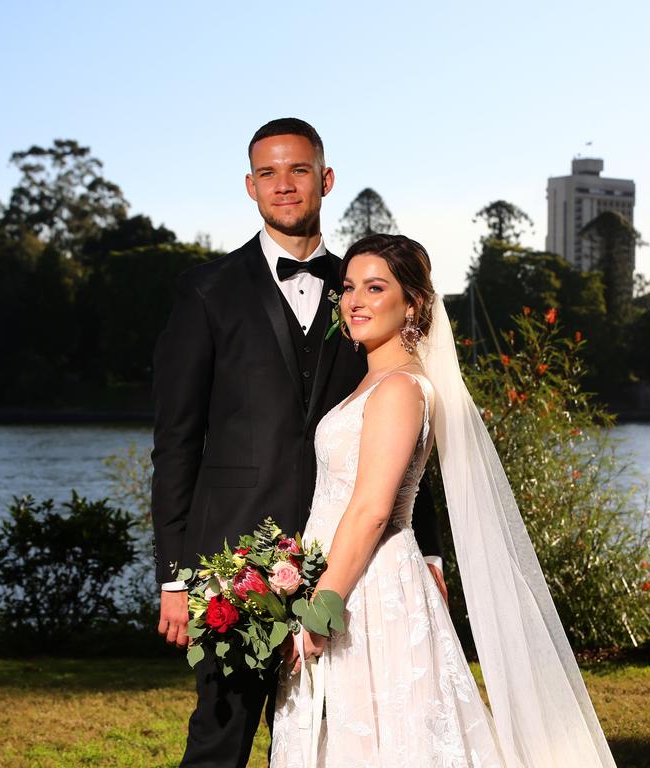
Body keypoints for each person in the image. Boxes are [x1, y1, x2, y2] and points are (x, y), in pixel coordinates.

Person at [149, 118, 446, 768]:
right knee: (219, 738)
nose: (284, 184)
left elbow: (399, 441)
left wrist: (428, 552)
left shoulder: (365, 289)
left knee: (336, 734)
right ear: (250, 186)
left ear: (325, 179)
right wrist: (175, 575)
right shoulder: (206, 291)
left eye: (299, 169)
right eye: (268, 172)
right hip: (237, 561)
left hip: (349, 560)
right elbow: (175, 444)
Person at [271, 234, 617, 768]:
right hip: (342, 577)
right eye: (348, 288)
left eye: (375, 287)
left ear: (412, 303)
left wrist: (319, 611)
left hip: (369, 591)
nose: (354, 301)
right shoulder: (374, 382)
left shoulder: (399, 390)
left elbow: (372, 509)